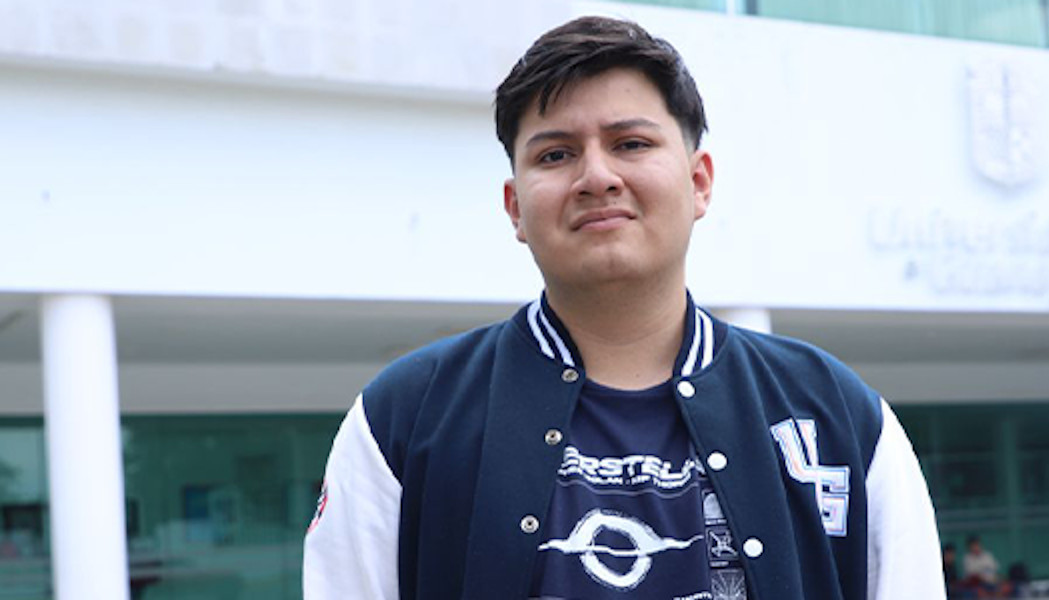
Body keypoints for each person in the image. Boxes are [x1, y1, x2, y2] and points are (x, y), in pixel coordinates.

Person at [302, 15, 943, 600]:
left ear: (699, 181)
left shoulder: (838, 415)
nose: (597, 177)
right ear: (515, 208)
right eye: (556, 154)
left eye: (631, 143)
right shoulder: (405, 418)